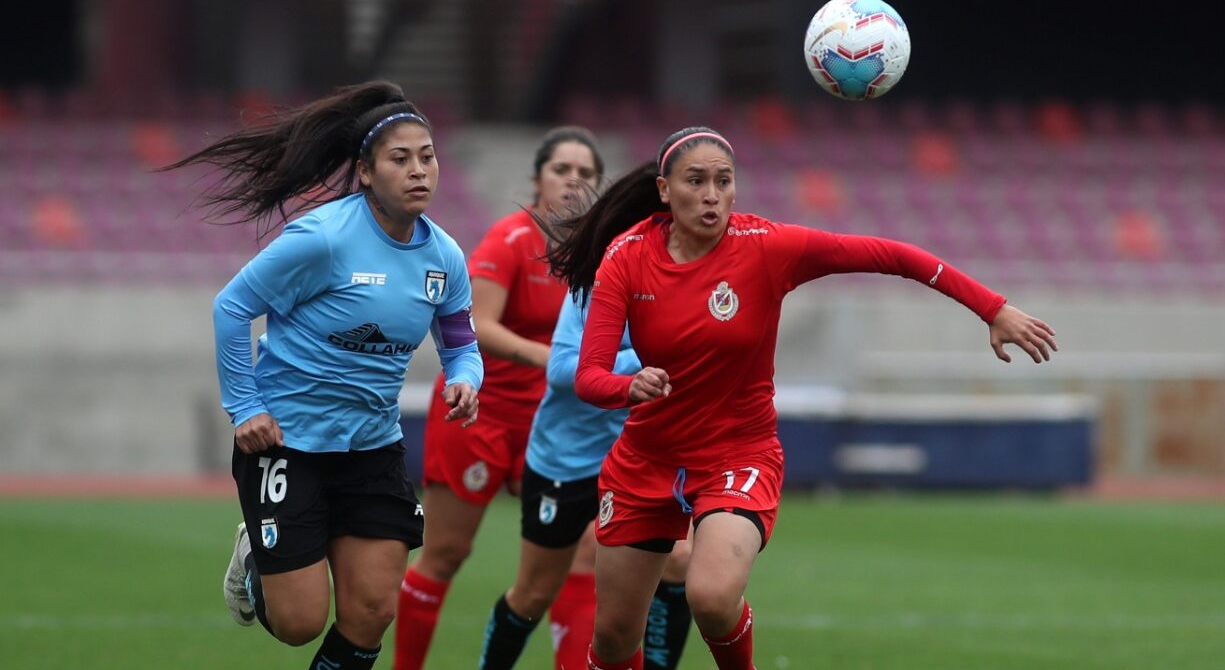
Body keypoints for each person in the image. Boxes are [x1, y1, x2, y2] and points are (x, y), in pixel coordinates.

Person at [545, 126, 1059, 670]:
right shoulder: (626, 257)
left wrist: (992, 308)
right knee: (613, 638)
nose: (712, 194)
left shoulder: (767, 247)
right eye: (696, 181)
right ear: (665, 191)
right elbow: (588, 378)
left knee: (712, 597)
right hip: (645, 459)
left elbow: (893, 256)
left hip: (736, 454)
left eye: (724, 180)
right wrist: (631, 385)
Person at [164, 80, 483, 670]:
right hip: (289, 442)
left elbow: (461, 343)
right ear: (364, 172)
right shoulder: (324, 238)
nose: (420, 171)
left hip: (373, 447)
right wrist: (246, 408)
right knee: (300, 624)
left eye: (428, 156)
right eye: (400, 159)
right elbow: (232, 309)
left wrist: (467, 379)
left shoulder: (446, 257)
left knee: (371, 613)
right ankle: (256, 556)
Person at [393, 127, 605, 670]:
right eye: (562, 169)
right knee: (446, 553)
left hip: (550, 426)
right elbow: (475, 326)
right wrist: (553, 360)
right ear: (537, 180)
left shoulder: (606, 255)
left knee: (580, 555)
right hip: (479, 414)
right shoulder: (510, 240)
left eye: (586, 172)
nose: (573, 180)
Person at [478, 291, 694, 670]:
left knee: (678, 559)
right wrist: (647, 357)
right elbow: (561, 370)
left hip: (639, 455)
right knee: (533, 593)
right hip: (564, 461)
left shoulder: (683, 287)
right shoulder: (592, 289)